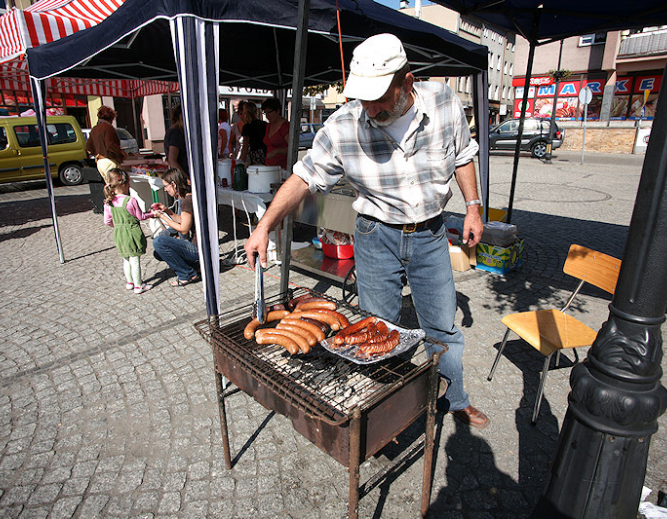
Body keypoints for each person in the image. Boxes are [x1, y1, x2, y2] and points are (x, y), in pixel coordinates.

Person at [244, 33, 489, 428]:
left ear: (407, 82)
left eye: (380, 97)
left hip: (430, 233)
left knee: (443, 326)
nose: (370, 108)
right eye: (363, 98)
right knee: (374, 327)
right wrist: (264, 225)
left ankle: (455, 399)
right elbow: (303, 177)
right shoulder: (344, 126)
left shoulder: (443, 101)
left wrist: (474, 207)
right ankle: (383, 411)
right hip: (376, 235)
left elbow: (463, 155)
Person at [103, 169, 153, 294]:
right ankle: (138, 285)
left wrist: (118, 225)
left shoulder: (109, 203)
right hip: (131, 232)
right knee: (135, 258)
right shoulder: (130, 200)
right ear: (124, 184)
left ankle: (129, 282)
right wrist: (153, 213)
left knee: (126, 258)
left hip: (119, 233)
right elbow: (141, 216)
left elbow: (107, 221)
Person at [151, 168, 200, 287]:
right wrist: (167, 211)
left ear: (174, 184)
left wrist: (163, 217)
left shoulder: (187, 201)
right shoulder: (188, 198)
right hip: (197, 246)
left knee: (159, 242)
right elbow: (183, 220)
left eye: (166, 186)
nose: (165, 189)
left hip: (198, 249)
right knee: (158, 252)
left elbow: (183, 228)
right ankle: (194, 266)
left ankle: (186, 274)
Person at [86, 105, 127, 183]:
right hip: (110, 160)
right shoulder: (108, 128)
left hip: (100, 162)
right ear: (111, 118)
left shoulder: (94, 129)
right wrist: (121, 152)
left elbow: (88, 148)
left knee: (109, 186)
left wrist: (96, 154)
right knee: (117, 187)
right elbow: (110, 145)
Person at [261, 97, 290, 167]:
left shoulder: (285, 126)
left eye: (269, 112)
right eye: (265, 112)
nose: (267, 115)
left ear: (277, 111)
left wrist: (277, 151)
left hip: (282, 167)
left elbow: (291, 149)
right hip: (269, 165)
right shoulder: (268, 126)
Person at [164, 105, 188, 175]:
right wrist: (186, 178)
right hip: (182, 177)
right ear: (181, 117)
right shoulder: (175, 133)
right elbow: (172, 160)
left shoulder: (173, 132)